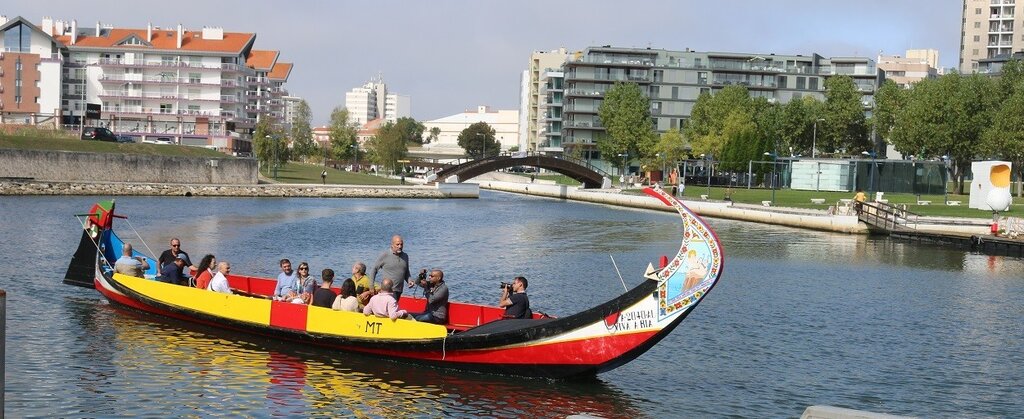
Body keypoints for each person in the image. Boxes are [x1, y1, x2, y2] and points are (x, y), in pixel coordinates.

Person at [370, 235, 412, 301]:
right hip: (388, 290)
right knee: (390, 309)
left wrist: (409, 281)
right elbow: (374, 270)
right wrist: (371, 286)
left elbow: (406, 272)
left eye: (401, 244)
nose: (400, 246)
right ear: (392, 245)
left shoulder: (405, 256)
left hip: (399, 290)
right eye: (397, 244)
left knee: (393, 308)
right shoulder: (385, 255)